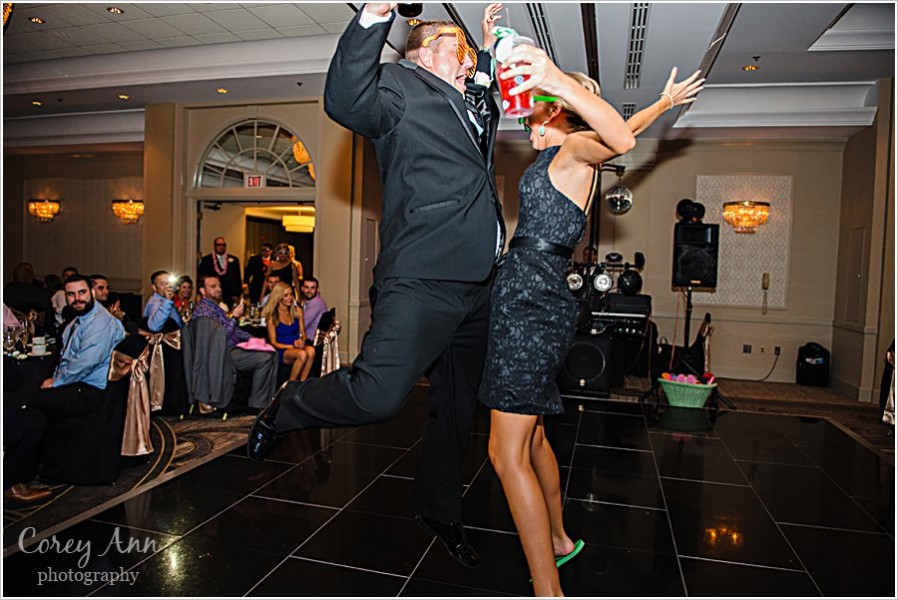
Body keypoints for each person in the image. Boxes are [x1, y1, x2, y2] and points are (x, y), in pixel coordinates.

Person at [247, 2, 504, 569]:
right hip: (423, 279)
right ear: (422, 54)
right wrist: (374, 16)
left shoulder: (462, 100)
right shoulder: (398, 87)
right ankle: (288, 404)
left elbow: (487, 116)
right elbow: (344, 98)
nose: (463, 64)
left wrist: (481, 51)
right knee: (379, 395)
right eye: (455, 52)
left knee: (459, 409)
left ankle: (440, 508)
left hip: (477, 288)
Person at [480, 40, 703, 594]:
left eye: (535, 102)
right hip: (529, 297)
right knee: (531, 441)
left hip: (532, 302)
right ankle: (557, 540)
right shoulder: (565, 152)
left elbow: (620, 138)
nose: (526, 112)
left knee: (504, 453)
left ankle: (547, 590)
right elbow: (622, 133)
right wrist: (660, 104)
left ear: (555, 105)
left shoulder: (575, 149)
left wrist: (555, 75)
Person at [192, 274, 278, 410]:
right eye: (213, 286)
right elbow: (220, 337)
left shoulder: (215, 307)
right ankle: (257, 404)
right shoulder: (205, 310)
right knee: (265, 358)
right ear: (202, 291)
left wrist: (253, 339)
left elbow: (235, 331)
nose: (218, 289)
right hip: (220, 354)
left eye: (219, 286)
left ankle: (267, 401)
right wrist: (235, 318)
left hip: (231, 348)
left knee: (272, 354)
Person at [262, 282, 316, 382]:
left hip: (297, 346)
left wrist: (301, 340)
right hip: (282, 349)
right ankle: (290, 385)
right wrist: (291, 346)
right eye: (286, 295)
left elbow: (303, 334)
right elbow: (273, 342)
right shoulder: (272, 316)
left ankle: (302, 383)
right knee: (302, 354)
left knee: (311, 351)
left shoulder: (297, 311)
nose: (290, 298)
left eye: (291, 294)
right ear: (278, 297)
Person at [197, 237, 243, 307]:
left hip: (229, 296)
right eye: (219, 245)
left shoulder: (234, 260)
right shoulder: (206, 260)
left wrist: (237, 294)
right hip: (212, 296)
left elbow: (237, 278)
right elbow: (201, 278)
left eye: (224, 245)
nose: (221, 247)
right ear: (214, 246)